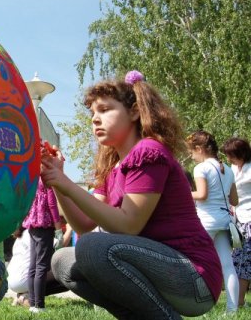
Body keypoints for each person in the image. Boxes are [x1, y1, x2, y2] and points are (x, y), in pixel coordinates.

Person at [43, 71, 222, 319]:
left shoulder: (148, 151)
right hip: (157, 270)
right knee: (63, 261)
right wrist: (58, 182)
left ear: (135, 111)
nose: (95, 119)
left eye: (105, 110)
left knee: (93, 247)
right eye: (92, 113)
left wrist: (66, 183)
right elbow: (84, 224)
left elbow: (128, 225)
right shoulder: (111, 170)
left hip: (192, 276)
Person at [187, 130, 239, 312]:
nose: (191, 156)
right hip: (225, 221)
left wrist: (182, 192)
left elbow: (201, 195)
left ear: (199, 149)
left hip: (206, 221)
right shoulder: (228, 169)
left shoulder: (201, 168)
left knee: (193, 262)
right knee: (227, 265)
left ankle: (192, 304)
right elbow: (235, 200)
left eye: (192, 152)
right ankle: (232, 310)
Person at [21, 177, 63, 313]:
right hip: (45, 225)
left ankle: (33, 304)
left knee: (33, 265)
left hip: (33, 224)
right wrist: (58, 228)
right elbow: (52, 204)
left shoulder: (32, 178)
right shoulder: (46, 179)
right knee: (41, 266)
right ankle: (39, 305)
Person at [221, 137, 251, 308]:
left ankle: (239, 302)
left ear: (242, 153)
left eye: (232, 155)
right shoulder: (232, 167)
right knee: (238, 260)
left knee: (245, 261)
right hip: (237, 221)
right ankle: (239, 301)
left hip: (249, 220)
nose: (229, 159)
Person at [6, 227, 67, 308]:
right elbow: (59, 245)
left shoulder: (21, 235)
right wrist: (70, 229)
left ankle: (23, 295)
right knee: (66, 274)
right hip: (25, 281)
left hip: (12, 282)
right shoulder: (38, 233)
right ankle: (26, 298)